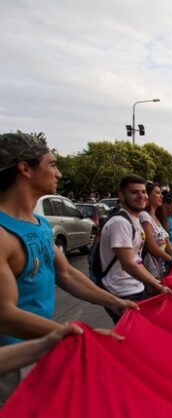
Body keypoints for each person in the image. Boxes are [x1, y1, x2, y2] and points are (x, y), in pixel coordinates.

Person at [0, 133, 139, 403]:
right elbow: (5, 314)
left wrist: (116, 302)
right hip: (13, 364)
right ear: (25, 169)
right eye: (52, 164)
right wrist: (74, 334)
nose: (59, 173)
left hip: (41, 349)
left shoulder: (38, 223)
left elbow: (66, 274)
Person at [99, 175, 172, 323]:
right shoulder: (120, 223)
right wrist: (157, 286)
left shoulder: (135, 220)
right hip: (122, 291)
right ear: (121, 196)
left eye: (143, 192)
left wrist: (154, 282)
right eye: (134, 192)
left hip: (136, 286)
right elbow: (129, 264)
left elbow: (137, 260)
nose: (141, 196)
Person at [140, 182, 172, 280]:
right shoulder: (145, 216)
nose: (161, 196)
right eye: (158, 193)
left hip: (160, 265)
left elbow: (165, 241)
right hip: (151, 267)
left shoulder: (156, 217)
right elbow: (152, 247)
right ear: (148, 195)